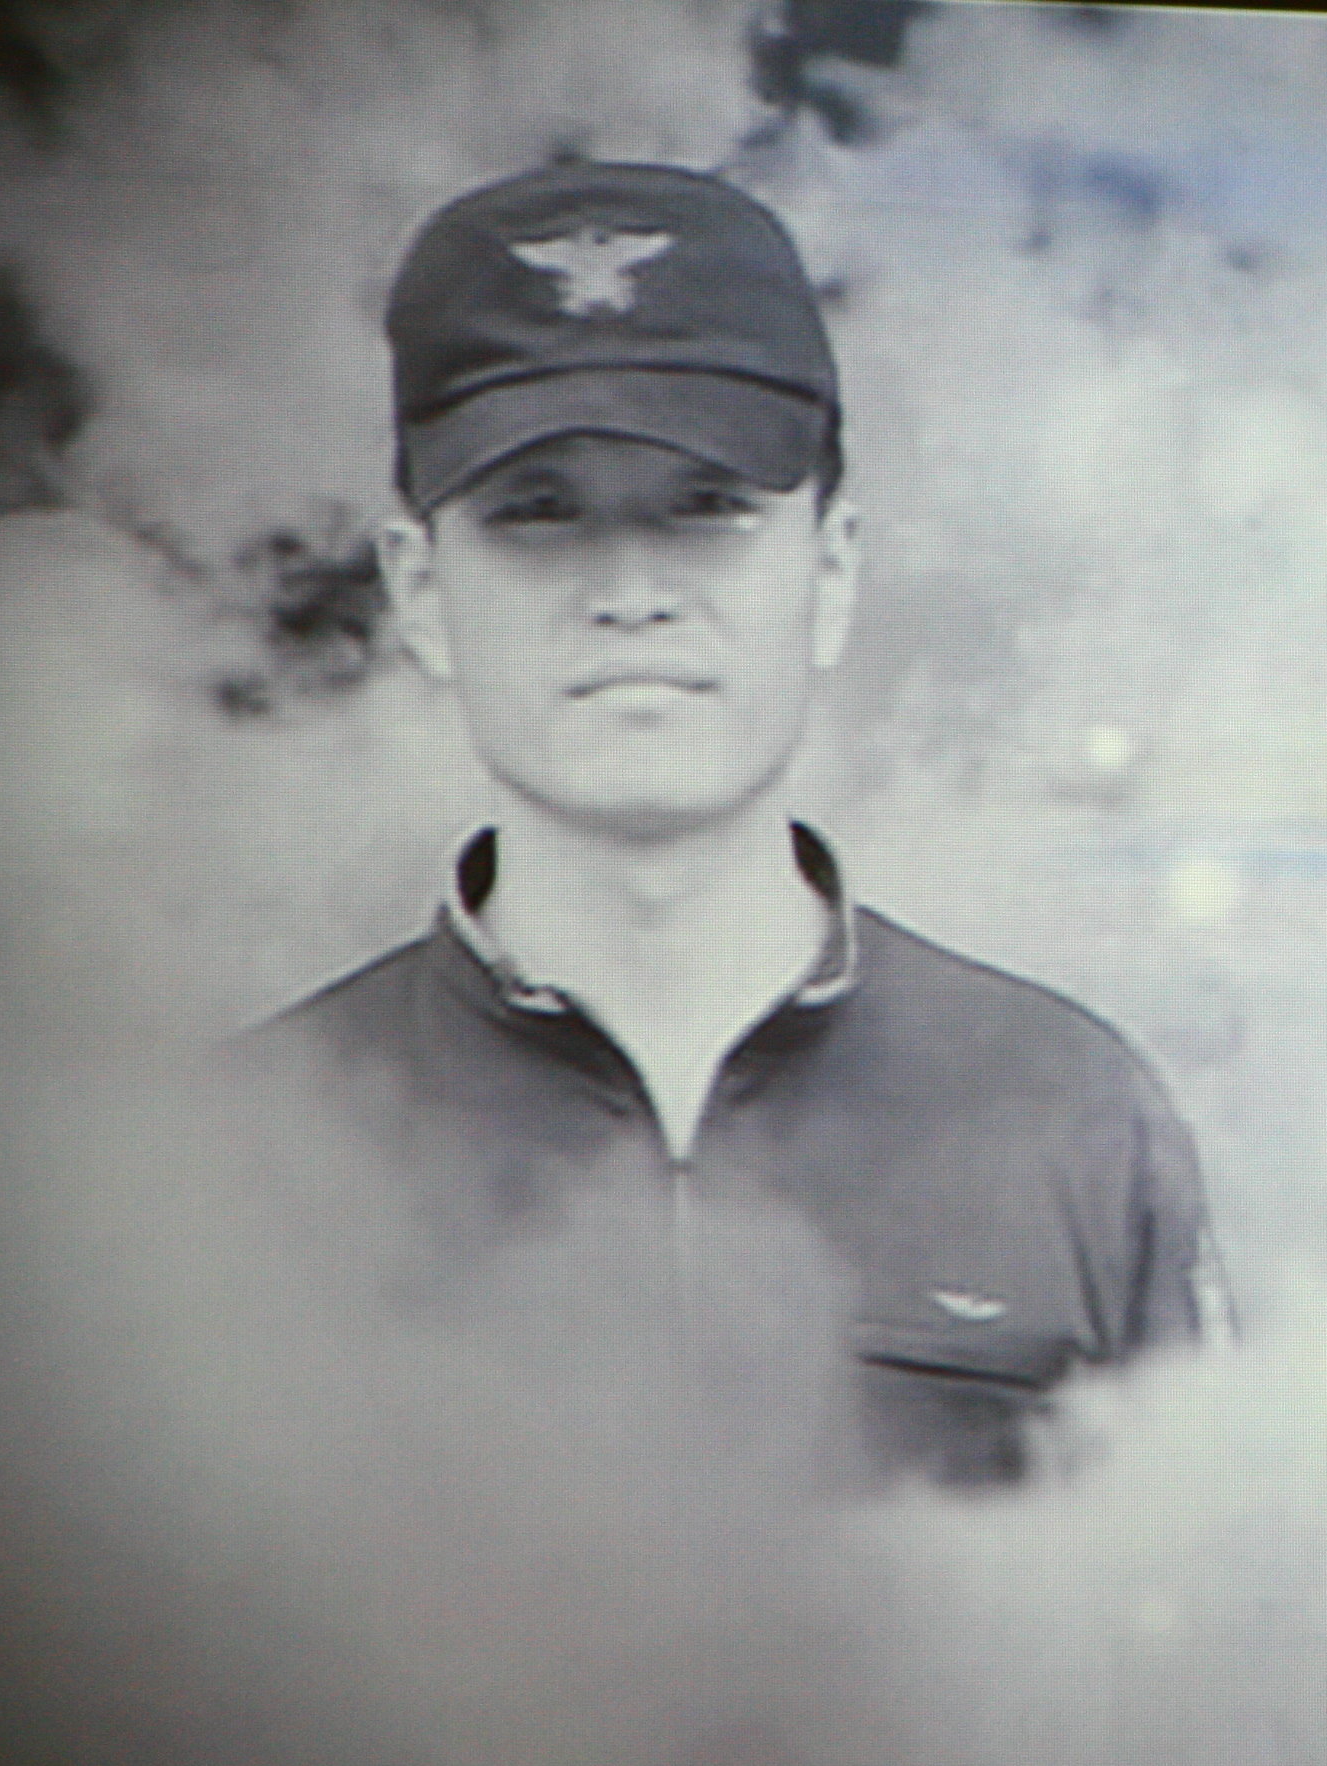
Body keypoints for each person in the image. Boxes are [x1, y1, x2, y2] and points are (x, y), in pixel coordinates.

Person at [232, 158, 1228, 1486]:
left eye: (708, 506)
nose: (631, 591)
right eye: (538, 511)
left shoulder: (1072, 1123)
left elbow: (1218, 1605)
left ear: (831, 569)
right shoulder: (241, 1155)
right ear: (421, 590)